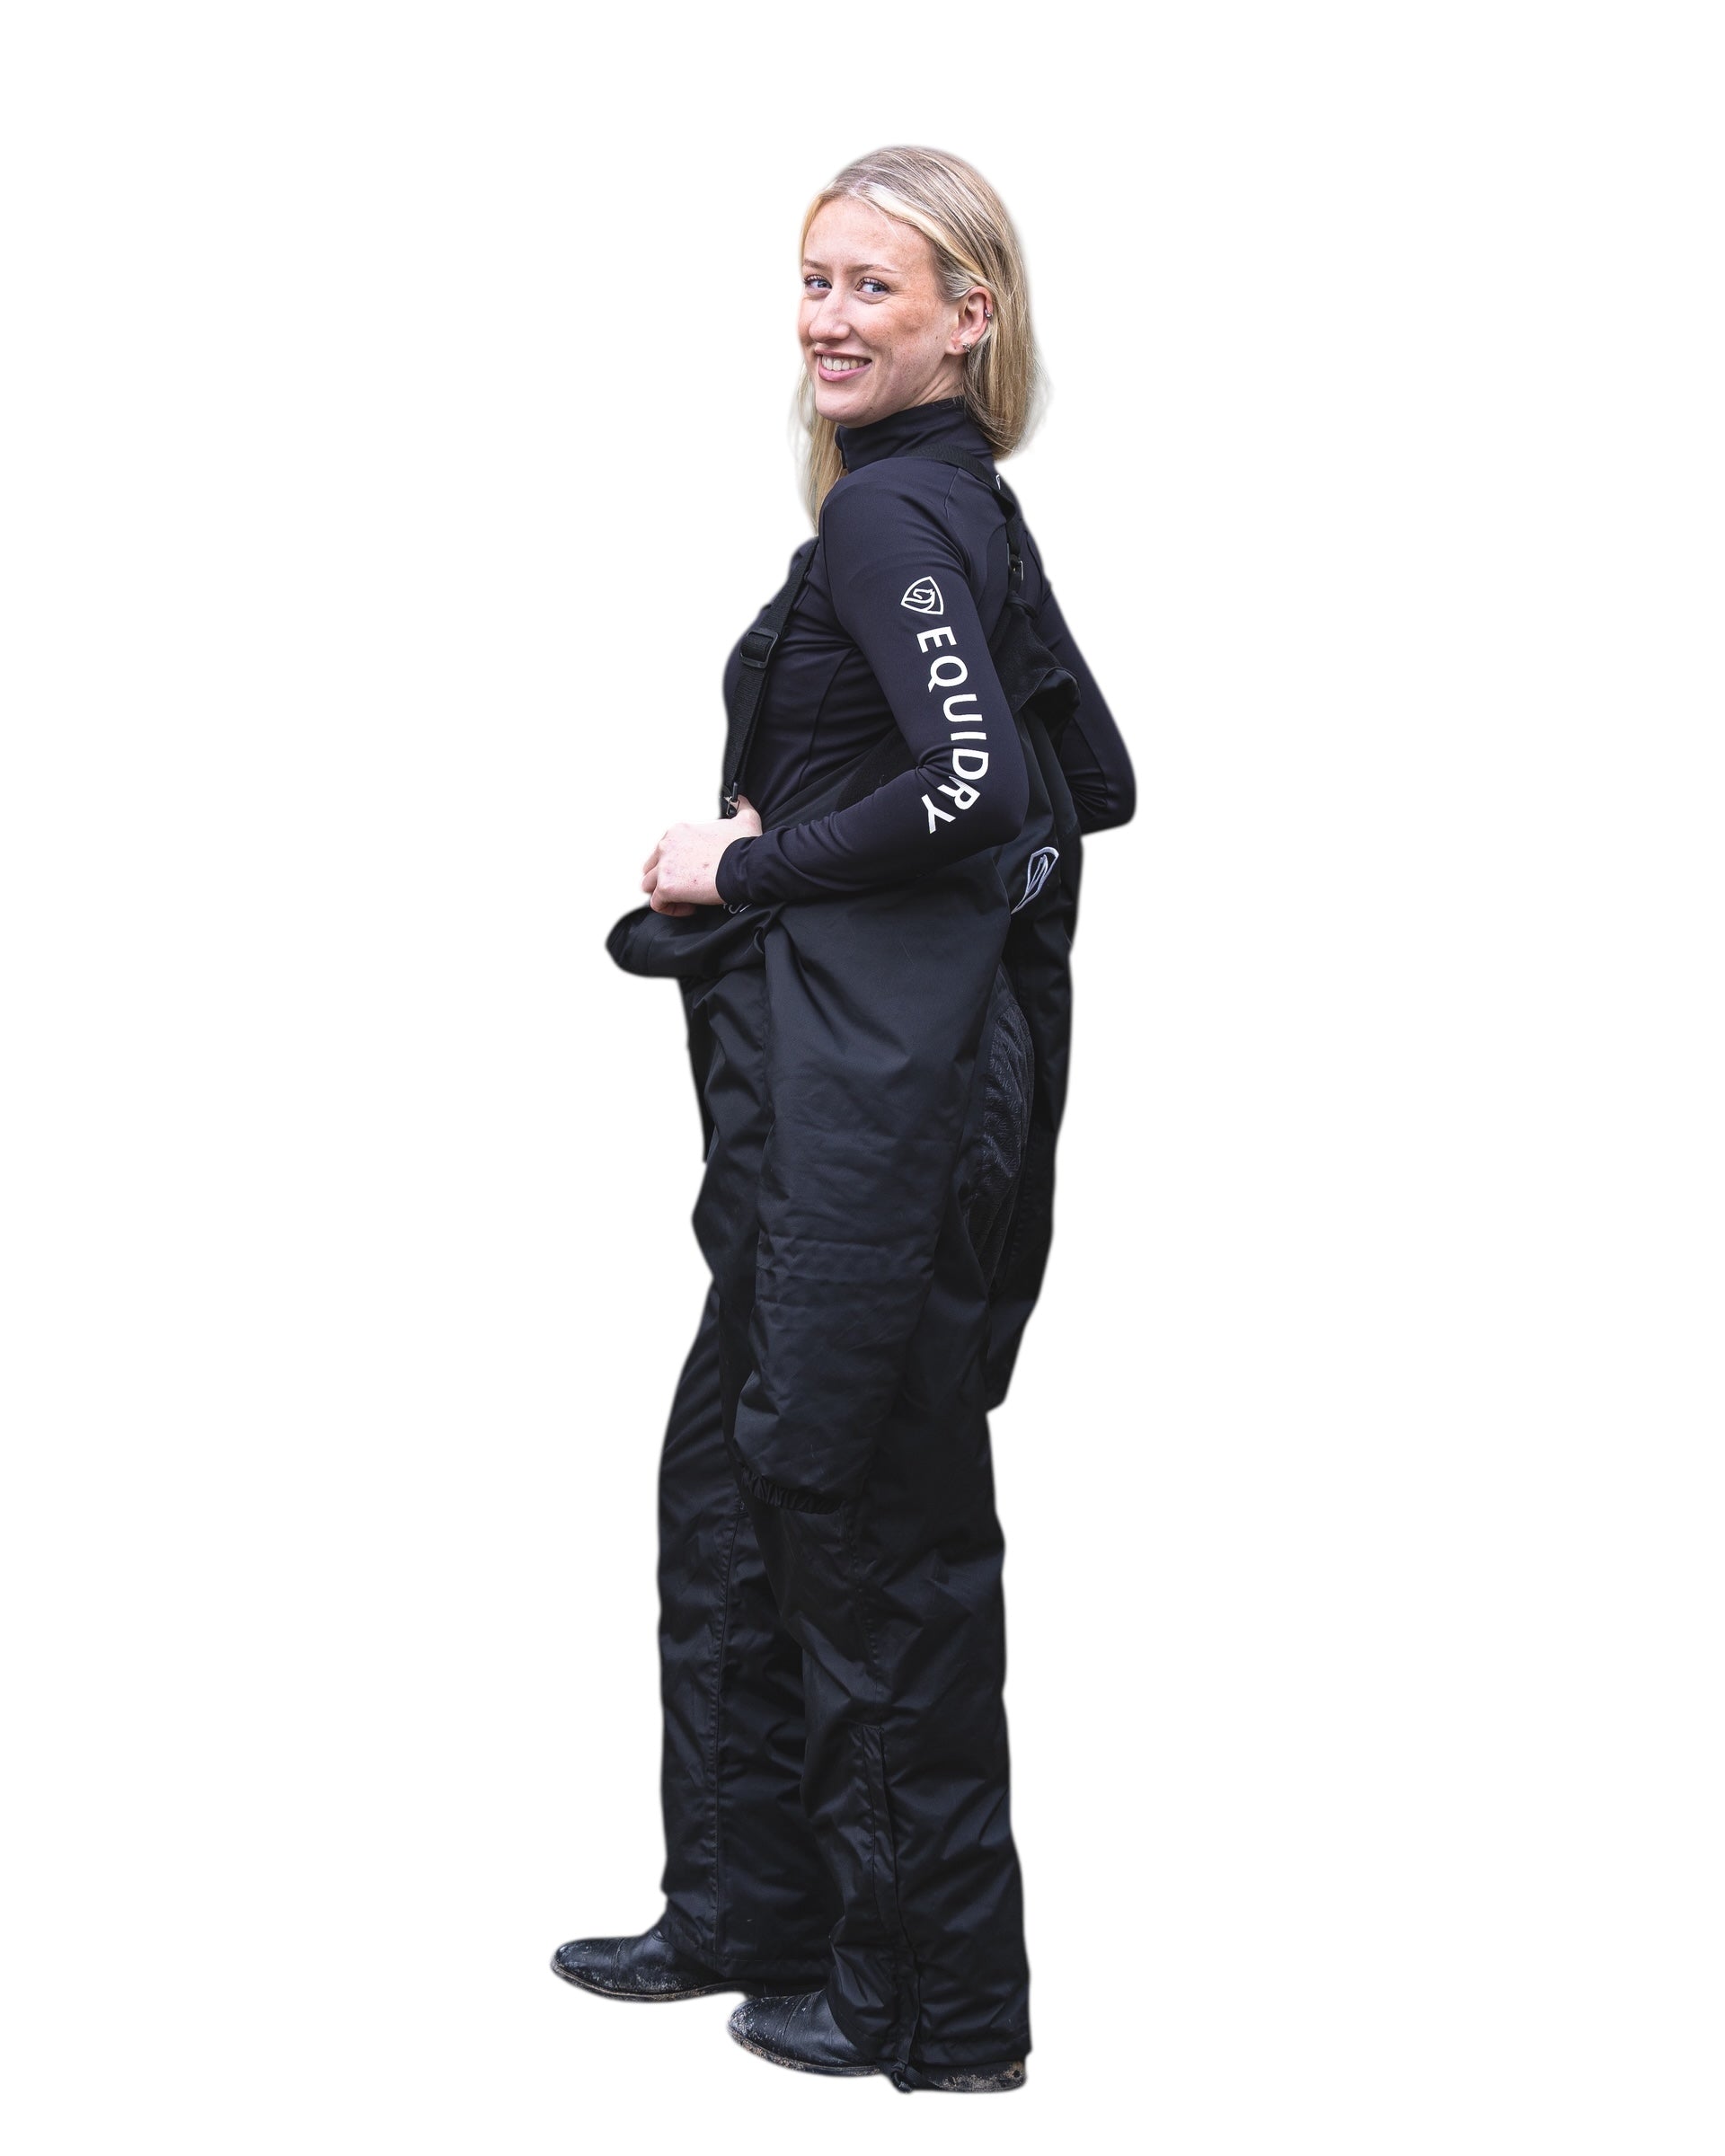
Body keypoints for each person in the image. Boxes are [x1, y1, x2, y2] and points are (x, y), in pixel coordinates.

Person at [552, 146, 1134, 2095]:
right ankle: (750, 1910)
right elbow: (1089, 780)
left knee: (865, 1513)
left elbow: (982, 792)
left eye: (874, 286)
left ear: (972, 317)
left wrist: (750, 860)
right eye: (815, 280)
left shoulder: (897, 518)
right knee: (733, 1488)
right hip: (824, 1103)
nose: (828, 318)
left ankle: (933, 2009)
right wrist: (829, 849)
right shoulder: (942, 510)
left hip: (882, 1119)